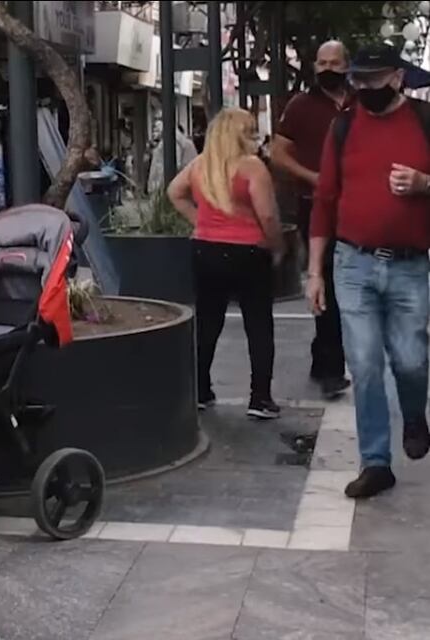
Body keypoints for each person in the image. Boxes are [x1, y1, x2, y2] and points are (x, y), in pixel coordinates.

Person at [307, 44, 430, 499]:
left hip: (410, 266)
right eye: (358, 80)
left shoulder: (423, 121)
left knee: (411, 360)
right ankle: (376, 461)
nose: (363, 89)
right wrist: (314, 271)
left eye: (373, 81)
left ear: (397, 78)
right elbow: (324, 201)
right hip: (351, 264)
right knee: (364, 362)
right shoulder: (342, 127)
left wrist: (423, 185)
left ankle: (414, 414)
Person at [167, 108, 285, 419]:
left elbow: (174, 192)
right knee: (258, 324)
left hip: (205, 250)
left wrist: (200, 223)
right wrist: (277, 246)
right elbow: (269, 215)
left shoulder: (201, 165)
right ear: (240, 134)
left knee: (208, 321)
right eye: (251, 131)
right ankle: (260, 397)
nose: (256, 137)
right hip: (248, 252)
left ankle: (201, 390)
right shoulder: (252, 168)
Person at [272, 40, 352, 398]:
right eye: (321, 62)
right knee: (328, 284)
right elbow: (278, 152)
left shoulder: (362, 102)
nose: (327, 68)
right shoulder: (302, 105)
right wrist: (313, 177)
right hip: (316, 204)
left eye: (334, 62)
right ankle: (331, 367)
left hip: (358, 205)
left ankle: (326, 358)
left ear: (347, 65)